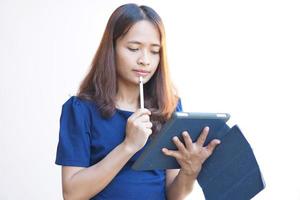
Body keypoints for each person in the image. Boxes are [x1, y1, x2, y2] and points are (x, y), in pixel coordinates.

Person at [55, 3, 220, 200]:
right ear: (112, 48)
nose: (145, 60)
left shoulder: (169, 107)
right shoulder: (81, 110)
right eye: (134, 48)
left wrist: (189, 171)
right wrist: (128, 146)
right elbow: (72, 194)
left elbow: (174, 195)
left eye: (155, 51)